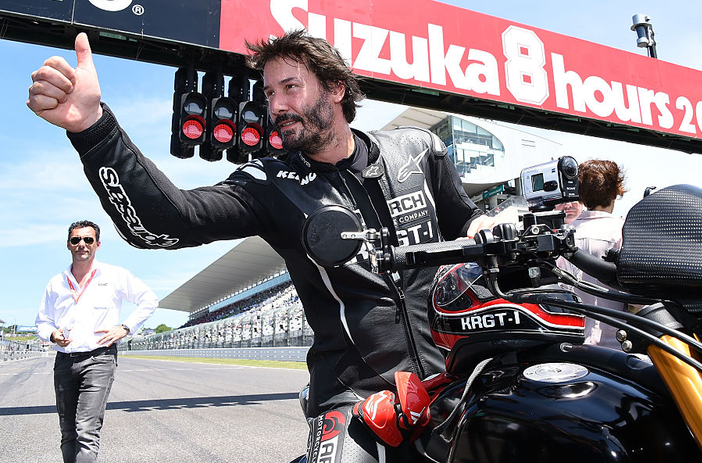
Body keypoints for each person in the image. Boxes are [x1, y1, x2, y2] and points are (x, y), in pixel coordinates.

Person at [28, 31, 501, 462]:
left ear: (336, 89)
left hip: (456, 375)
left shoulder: (418, 148)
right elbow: (168, 223)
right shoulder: (269, 182)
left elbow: (466, 219)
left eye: (289, 87)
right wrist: (93, 129)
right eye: (270, 93)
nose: (275, 105)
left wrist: (488, 225)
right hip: (353, 396)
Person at [35, 220, 158, 463]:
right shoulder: (56, 283)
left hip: (99, 359)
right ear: (68, 245)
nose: (82, 244)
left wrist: (125, 327)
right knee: (68, 432)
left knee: (86, 430)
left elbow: (149, 300)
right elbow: (42, 321)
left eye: (88, 240)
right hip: (64, 361)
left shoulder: (115, 275)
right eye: (76, 240)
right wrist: (52, 334)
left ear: (97, 244)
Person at [561, 159, 627, 348]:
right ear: (616, 191)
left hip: (572, 341)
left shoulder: (563, 236)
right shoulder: (623, 231)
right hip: (617, 344)